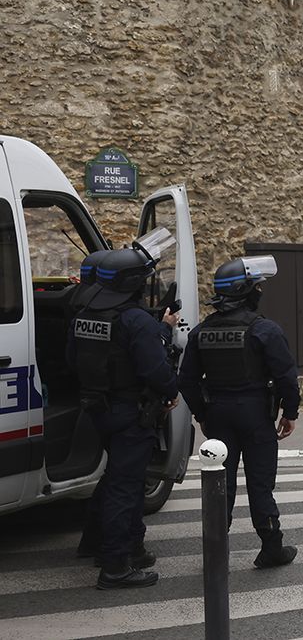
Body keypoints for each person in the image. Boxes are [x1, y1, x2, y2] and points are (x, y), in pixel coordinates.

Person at [68, 237, 180, 590]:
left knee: (116, 476)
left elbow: (72, 360)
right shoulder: (136, 321)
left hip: (97, 408)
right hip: (131, 412)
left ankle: (101, 543)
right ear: (135, 283)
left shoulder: (85, 315)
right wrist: (171, 390)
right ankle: (115, 565)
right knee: (126, 487)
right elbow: (155, 370)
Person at [179, 255, 302, 568]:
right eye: (257, 286)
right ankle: (271, 546)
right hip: (256, 415)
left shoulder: (201, 332)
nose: (260, 290)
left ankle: (215, 552)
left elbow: (187, 381)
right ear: (245, 291)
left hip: (218, 415)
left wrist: (202, 414)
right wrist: (290, 412)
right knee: (260, 483)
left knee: (220, 485)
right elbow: (286, 377)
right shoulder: (265, 330)